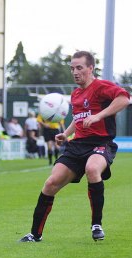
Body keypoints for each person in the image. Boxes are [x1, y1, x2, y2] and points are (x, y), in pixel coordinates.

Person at [19, 51, 130, 243]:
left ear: (90, 68)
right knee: (51, 183)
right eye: (72, 68)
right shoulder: (76, 94)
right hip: (77, 145)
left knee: (92, 169)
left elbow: (124, 99)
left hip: (101, 143)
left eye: (79, 68)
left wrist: (98, 116)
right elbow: (79, 119)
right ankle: (35, 234)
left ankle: (96, 225)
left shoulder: (101, 87)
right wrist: (67, 133)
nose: (75, 72)